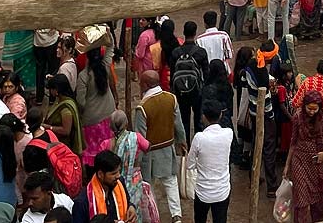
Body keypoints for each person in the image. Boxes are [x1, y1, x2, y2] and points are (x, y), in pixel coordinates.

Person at [134, 69, 186, 223]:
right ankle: (176, 215)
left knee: (148, 185)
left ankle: (152, 215)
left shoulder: (142, 107)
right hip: (168, 148)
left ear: (145, 84)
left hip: (150, 153)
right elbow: (179, 125)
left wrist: (137, 161)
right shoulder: (171, 99)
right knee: (170, 181)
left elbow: (140, 138)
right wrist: (181, 141)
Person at [283, 89, 323, 223]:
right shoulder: (297, 116)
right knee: (301, 200)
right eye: (309, 108)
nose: (312, 112)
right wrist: (287, 165)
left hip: (319, 162)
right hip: (300, 161)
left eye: (315, 109)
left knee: (318, 199)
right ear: (304, 106)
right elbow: (293, 141)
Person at [186, 101, 234, 223]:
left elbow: (189, 164)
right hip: (222, 191)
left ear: (203, 117)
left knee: (200, 219)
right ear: (220, 115)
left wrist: (202, 162)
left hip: (203, 192)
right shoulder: (229, 133)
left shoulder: (199, 138)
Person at [77, 46, 118, 169]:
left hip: (91, 121)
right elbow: (111, 49)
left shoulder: (84, 76)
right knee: (109, 151)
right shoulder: (105, 67)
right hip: (109, 116)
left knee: (93, 155)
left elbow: (80, 101)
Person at [71, 150, 136, 223]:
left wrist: (131, 206)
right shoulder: (82, 202)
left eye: (119, 171)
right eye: (113, 173)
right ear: (100, 174)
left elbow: (127, 200)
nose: (118, 176)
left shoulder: (119, 182)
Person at [169, 20, 209, 137]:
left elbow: (172, 73)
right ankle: (197, 143)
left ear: (184, 33)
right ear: (195, 33)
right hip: (197, 90)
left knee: (184, 120)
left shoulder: (176, 52)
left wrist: (173, 89)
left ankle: (185, 148)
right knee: (198, 120)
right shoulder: (201, 52)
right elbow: (206, 74)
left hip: (181, 90)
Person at [44, 74, 85, 156]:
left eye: (51, 89)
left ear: (56, 90)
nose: (50, 92)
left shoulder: (66, 108)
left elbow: (66, 131)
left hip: (64, 146)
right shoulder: (59, 100)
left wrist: (48, 127)